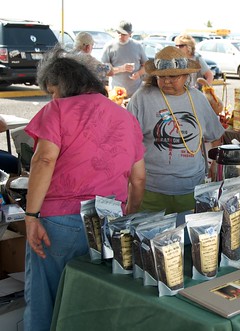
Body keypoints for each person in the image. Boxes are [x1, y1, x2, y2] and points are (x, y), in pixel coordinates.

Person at [23, 48, 146, 331]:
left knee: (46, 299)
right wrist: (129, 215)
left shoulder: (57, 110)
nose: (51, 98)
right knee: (92, 300)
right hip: (110, 220)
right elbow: (139, 179)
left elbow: (44, 159)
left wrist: (31, 216)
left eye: (52, 91)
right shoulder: (125, 117)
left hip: (60, 222)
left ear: (63, 86)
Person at [127, 46, 224, 214]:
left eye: (173, 76)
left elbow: (215, 137)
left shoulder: (198, 98)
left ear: (186, 76)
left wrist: (215, 165)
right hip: (151, 190)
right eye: (161, 77)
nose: (166, 81)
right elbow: (128, 142)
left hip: (191, 190)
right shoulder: (142, 98)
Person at [101, 21, 148, 97]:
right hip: (116, 93)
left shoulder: (138, 46)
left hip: (135, 93)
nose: (120, 36)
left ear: (130, 34)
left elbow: (146, 65)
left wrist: (139, 73)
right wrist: (121, 69)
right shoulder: (109, 46)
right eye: (118, 32)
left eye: (124, 34)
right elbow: (103, 69)